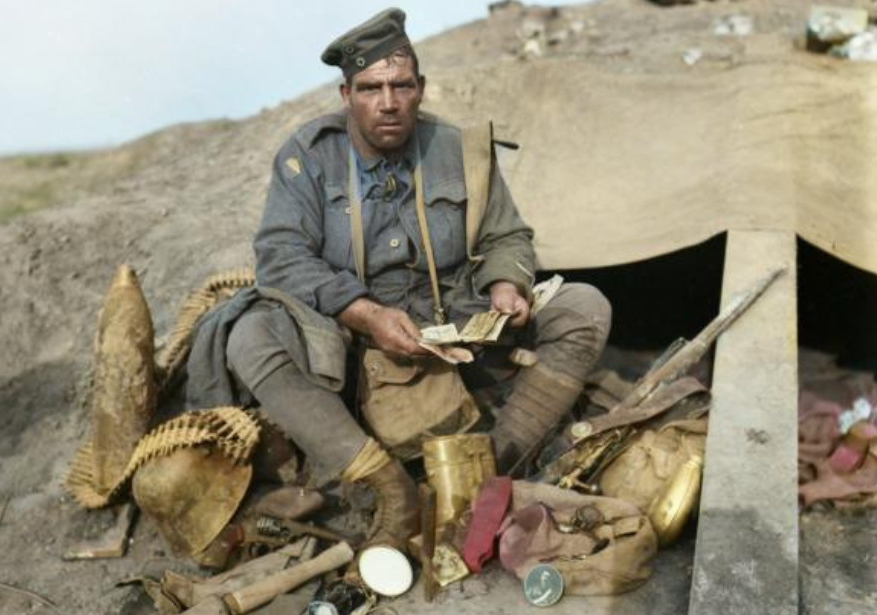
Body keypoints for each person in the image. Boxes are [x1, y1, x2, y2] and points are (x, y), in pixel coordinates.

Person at [186, 8, 611, 549]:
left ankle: (494, 465)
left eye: (400, 86)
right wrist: (365, 313)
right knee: (250, 334)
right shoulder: (308, 158)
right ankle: (389, 490)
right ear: (347, 96)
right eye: (370, 88)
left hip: (453, 321)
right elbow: (282, 257)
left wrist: (508, 285)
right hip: (350, 338)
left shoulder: (460, 151)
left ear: (420, 89)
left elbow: (509, 237)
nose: (387, 102)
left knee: (585, 307)